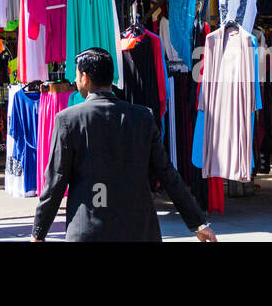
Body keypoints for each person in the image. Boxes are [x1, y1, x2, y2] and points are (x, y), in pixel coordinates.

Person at [32, 47, 218, 242]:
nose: (76, 80)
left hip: (89, 231)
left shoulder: (68, 120)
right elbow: (167, 174)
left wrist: (38, 233)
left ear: (85, 78)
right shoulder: (143, 117)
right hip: (139, 231)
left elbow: (55, 182)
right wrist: (198, 222)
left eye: (77, 76)